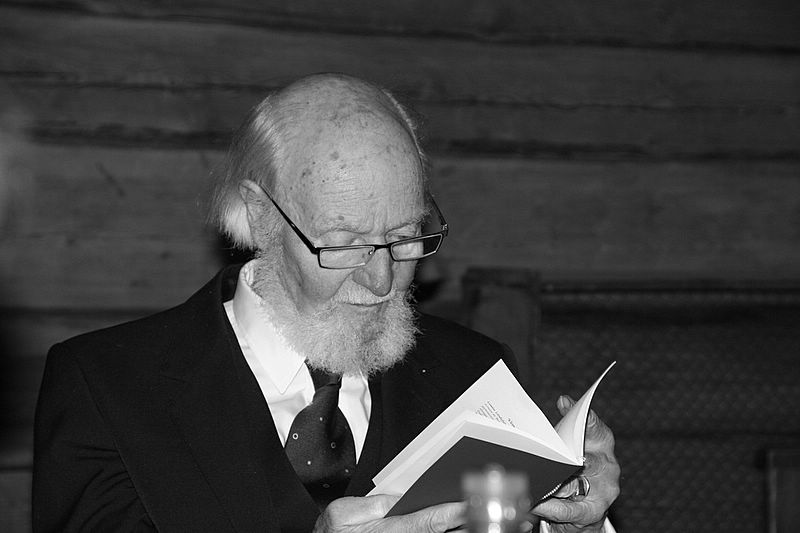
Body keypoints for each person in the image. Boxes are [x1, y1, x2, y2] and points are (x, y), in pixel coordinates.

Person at [33, 73, 619, 532]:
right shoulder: (106, 386)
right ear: (260, 218)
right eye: (345, 245)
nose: (383, 280)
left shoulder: (474, 375)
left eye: (405, 237)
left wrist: (573, 525)